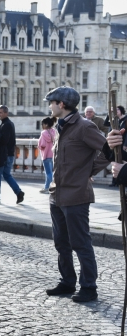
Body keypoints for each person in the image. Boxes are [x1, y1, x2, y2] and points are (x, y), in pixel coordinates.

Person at [43, 86, 117, 302]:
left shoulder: (84, 126)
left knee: (80, 243)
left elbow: (108, 150)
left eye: (52, 102)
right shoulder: (60, 126)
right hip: (56, 194)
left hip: (76, 195)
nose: (49, 106)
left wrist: (88, 171)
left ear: (61, 104)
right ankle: (67, 282)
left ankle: (89, 287)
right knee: (61, 243)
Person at [0, 105, 24, 205]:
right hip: (9, 154)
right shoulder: (7, 123)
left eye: (1, 113)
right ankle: (19, 192)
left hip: (4, 155)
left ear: (6, 113)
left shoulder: (6, 124)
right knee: (7, 175)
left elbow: (4, 140)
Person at [38, 117, 57, 194]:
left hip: (46, 155)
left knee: (48, 172)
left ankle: (50, 187)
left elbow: (42, 145)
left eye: (42, 124)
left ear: (45, 124)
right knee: (52, 172)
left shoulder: (43, 133)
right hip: (53, 154)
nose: (42, 126)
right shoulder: (54, 131)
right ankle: (47, 187)